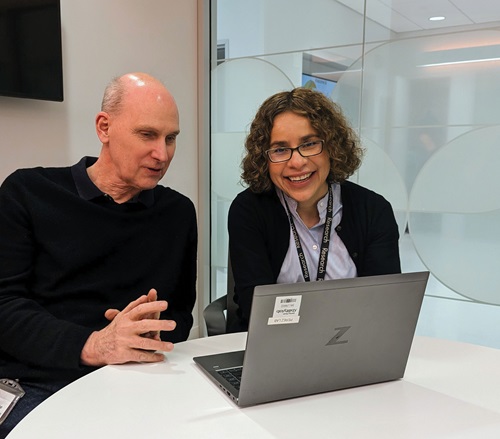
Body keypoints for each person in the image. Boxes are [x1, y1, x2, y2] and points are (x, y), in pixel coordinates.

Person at [0, 73, 197, 436]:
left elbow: (181, 312)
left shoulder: (178, 213)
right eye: (147, 135)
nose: (162, 154)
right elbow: (4, 308)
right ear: (104, 127)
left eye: (171, 138)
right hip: (40, 381)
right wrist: (94, 344)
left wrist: (155, 332)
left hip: (141, 378)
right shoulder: (27, 192)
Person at [228, 87, 400, 332]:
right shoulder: (249, 210)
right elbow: (256, 308)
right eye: (279, 149)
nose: (296, 162)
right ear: (264, 159)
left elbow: (384, 306)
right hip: (275, 347)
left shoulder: (373, 211)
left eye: (309, 144)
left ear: (332, 147)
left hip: (353, 346)